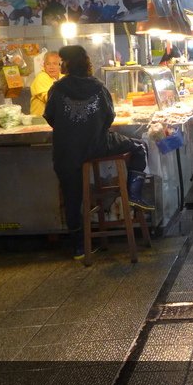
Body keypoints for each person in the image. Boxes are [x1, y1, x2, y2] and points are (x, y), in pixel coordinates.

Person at [43, 45, 154, 260]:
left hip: (67, 153)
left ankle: (78, 248)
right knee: (139, 147)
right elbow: (109, 117)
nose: (59, 65)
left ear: (69, 63)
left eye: (62, 61)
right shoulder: (99, 87)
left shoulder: (57, 89)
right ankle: (133, 194)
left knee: (72, 196)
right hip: (99, 146)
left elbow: (50, 118)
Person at [30, 51, 62, 116]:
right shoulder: (41, 77)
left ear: (60, 65)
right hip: (41, 120)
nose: (51, 67)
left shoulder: (63, 77)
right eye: (48, 64)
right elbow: (50, 98)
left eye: (55, 64)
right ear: (44, 65)